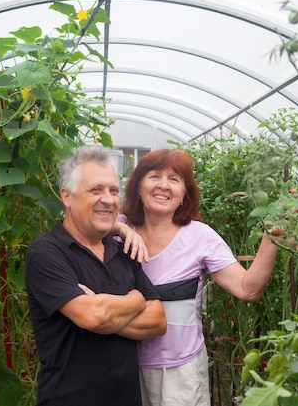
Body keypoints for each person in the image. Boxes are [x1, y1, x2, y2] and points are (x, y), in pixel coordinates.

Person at [116, 148, 278, 406]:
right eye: (154, 176)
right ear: (137, 186)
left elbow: (247, 288)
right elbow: (77, 223)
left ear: (184, 194)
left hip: (179, 373)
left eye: (174, 179)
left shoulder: (200, 237)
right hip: (120, 365)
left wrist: (272, 240)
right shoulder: (114, 229)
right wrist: (119, 227)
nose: (164, 186)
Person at [24, 146, 167, 406]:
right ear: (66, 196)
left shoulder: (123, 249)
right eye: (96, 190)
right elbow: (93, 316)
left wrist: (104, 308)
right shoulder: (46, 252)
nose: (109, 199)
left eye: (113, 190)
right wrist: (135, 300)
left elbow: (157, 321)